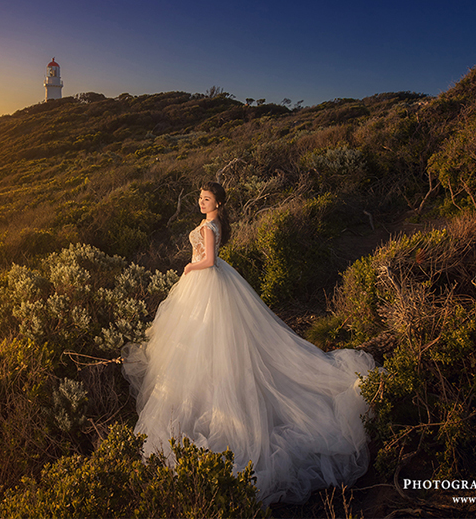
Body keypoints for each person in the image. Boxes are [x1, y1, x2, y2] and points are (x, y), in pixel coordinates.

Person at [122, 181, 377, 505]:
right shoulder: (208, 222)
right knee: (198, 343)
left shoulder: (211, 226)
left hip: (208, 282)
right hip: (205, 286)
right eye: (201, 198)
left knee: (217, 341)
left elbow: (210, 261)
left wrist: (190, 265)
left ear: (219, 203)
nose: (202, 202)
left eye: (208, 198)